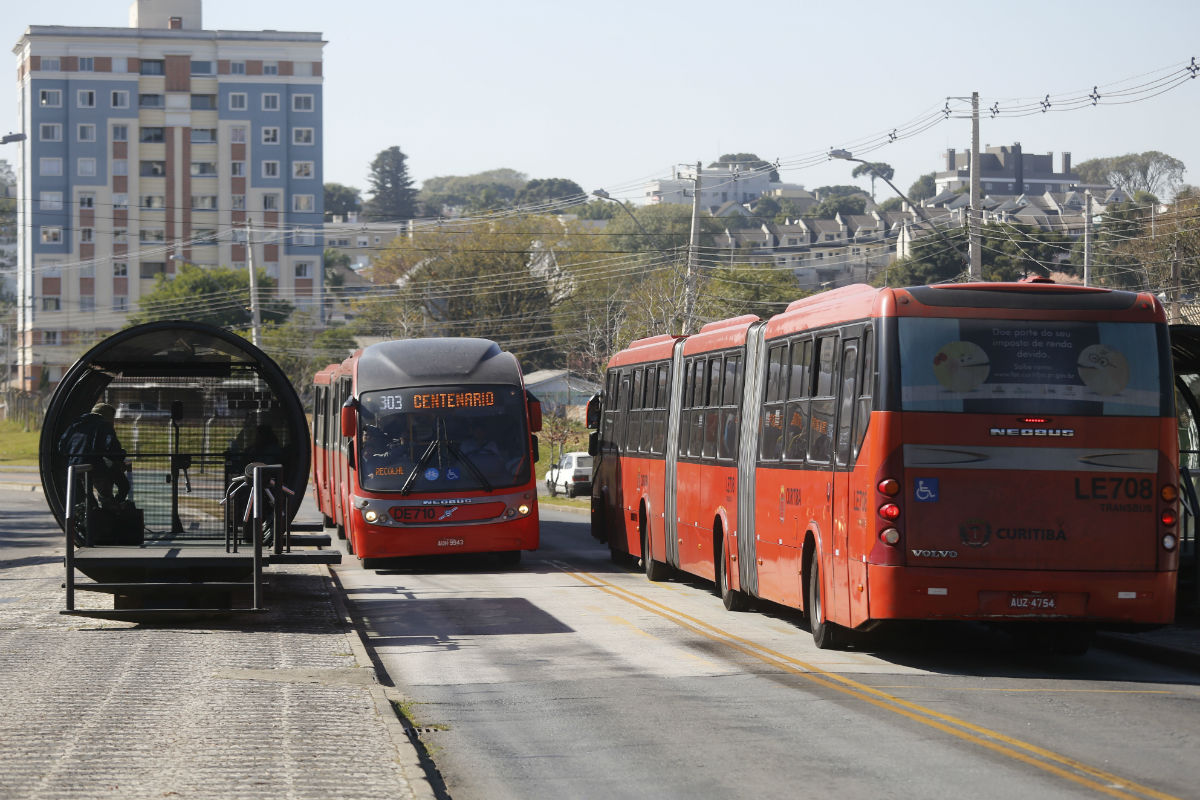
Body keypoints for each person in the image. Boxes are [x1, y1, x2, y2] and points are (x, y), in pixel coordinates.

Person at [58, 402, 130, 508]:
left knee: (88, 497)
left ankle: (90, 514)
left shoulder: (76, 424)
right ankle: (112, 509)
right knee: (124, 486)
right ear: (108, 417)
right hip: (95, 467)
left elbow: (61, 446)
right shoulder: (104, 425)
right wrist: (121, 455)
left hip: (74, 467)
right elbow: (112, 448)